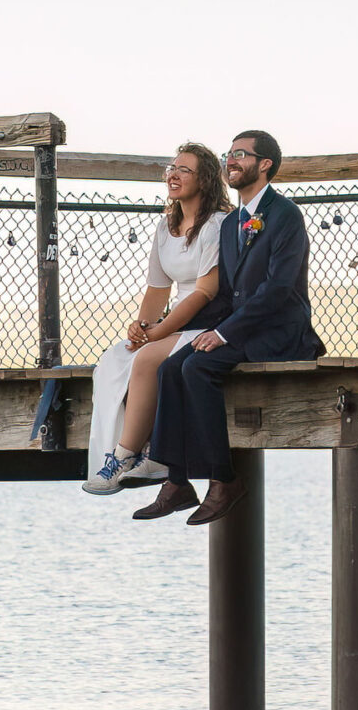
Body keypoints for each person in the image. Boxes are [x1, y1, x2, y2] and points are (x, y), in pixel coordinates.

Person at [134, 129, 325, 527]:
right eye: (229, 154)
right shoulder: (232, 222)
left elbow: (278, 289)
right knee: (170, 367)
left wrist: (223, 334)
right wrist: (181, 330)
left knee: (197, 368)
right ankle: (176, 482)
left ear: (264, 164)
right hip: (239, 328)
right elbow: (224, 292)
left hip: (280, 331)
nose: (231, 161)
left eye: (241, 154)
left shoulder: (285, 215)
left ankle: (223, 481)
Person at [83, 144, 232, 495]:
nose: (173, 175)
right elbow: (157, 289)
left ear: (206, 179)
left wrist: (159, 332)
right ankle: (132, 447)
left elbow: (204, 291)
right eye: (171, 168)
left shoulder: (217, 225)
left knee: (148, 359)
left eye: (184, 169)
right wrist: (141, 328)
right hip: (172, 323)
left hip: (206, 321)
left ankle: (124, 455)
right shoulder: (166, 227)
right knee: (117, 358)